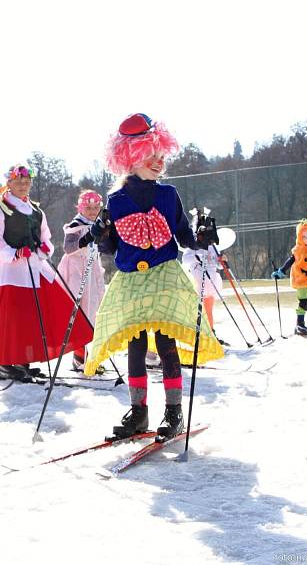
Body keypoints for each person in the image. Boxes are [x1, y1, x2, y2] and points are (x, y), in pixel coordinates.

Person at [81, 114, 223, 439]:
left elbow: (184, 237)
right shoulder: (115, 201)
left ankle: (174, 412)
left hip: (164, 276)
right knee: (135, 344)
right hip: (131, 279)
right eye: (151, 155)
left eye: (162, 155)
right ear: (131, 156)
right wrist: (101, 233)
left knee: (164, 340)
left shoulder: (168, 195)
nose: (159, 162)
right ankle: (139, 412)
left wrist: (202, 236)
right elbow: (110, 247)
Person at [0, 163, 93, 382]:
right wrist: (14, 253)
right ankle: (5, 363)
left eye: (26, 182)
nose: (23, 185)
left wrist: (45, 249)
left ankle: (24, 361)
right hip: (11, 271)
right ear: (9, 183)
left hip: (34, 268)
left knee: (34, 315)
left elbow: (46, 238)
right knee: (13, 317)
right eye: (18, 181)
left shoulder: (35, 210)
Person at [58, 189, 106, 371]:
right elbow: (68, 248)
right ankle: (79, 356)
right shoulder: (76, 224)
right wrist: (86, 238)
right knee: (81, 311)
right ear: (81, 208)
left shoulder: (97, 223)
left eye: (96, 208)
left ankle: (89, 355)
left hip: (92, 269)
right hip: (77, 270)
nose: (92, 211)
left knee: (93, 310)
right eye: (88, 208)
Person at [181, 210, 228, 345]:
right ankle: (200, 335)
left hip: (211, 280)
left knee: (209, 310)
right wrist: (198, 258)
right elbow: (186, 259)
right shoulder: (194, 245)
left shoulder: (212, 246)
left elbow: (218, 263)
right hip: (198, 280)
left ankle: (211, 333)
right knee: (199, 311)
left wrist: (222, 260)